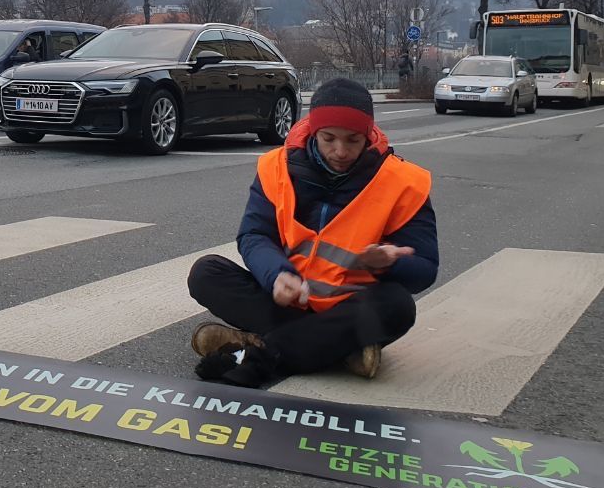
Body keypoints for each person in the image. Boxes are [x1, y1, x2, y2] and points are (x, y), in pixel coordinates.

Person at [186, 78, 438, 388]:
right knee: (206, 273)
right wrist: (276, 275)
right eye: (329, 138)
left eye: (353, 140)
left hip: (350, 306)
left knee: (398, 305)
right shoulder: (276, 167)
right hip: (288, 299)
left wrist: (388, 263)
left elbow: (425, 269)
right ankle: (336, 349)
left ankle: (260, 352)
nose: (341, 151)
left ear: (369, 135)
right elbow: (254, 235)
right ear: (312, 130)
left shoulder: (403, 182)